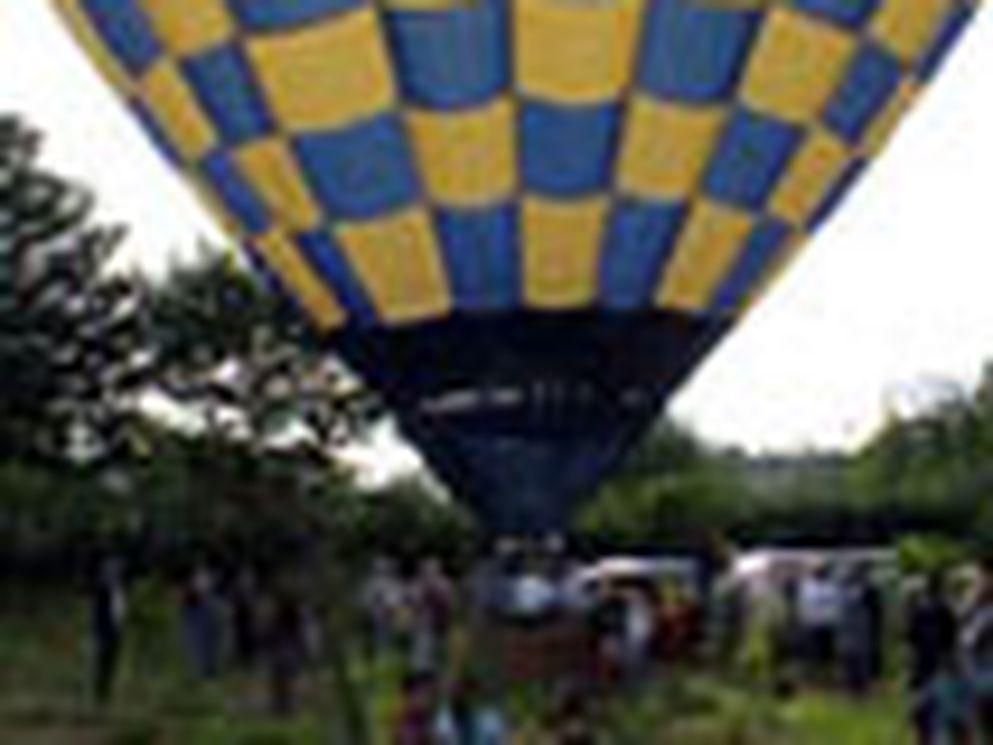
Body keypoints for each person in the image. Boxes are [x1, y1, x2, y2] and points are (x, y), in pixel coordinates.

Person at [906, 574, 960, 744]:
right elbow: (952, 641)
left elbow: (911, 640)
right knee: (939, 713)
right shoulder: (947, 609)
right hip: (940, 667)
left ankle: (924, 739)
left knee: (921, 713)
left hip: (922, 667)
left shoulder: (918, 609)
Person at [962, 558, 993, 741]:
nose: (978, 581)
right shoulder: (974, 605)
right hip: (977, 676)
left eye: (981, 577)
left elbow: (972, 640)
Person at [90, 555, 127, 705]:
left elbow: (120, 611)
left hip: (115, 630)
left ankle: (104, 693)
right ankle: (99, 694)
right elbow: (98, 615)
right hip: (104, 630)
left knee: (110, 662)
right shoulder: (103, 591)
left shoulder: (119, 590)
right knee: (101, 662)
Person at [797, 563, 842, 682]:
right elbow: (803, 605)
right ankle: (814, 676)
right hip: (813, 624)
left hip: (828, 624)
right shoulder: (807, 586)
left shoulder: (831, 586)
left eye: (822, 571)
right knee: (814, 653)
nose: (820, 573)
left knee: (828, 654)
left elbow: (836, 604)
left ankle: (827, 676)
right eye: (818, 571)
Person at [265, 589, 307, 716]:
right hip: (290, 655)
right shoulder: (295, 620)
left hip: (280, 655)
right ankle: (289, 708)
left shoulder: (278, 621)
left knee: (280, 684)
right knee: (289, 683)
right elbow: (300, 640)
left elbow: (270, 637)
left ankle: (281, 708)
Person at [179, 562, 222, 680]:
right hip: (194, 612)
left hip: (201, 612)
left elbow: (201, 595)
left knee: (203, 644)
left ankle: (206, 671)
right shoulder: (193, 582)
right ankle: (202, 671)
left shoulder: (202, 580)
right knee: (197, 644)